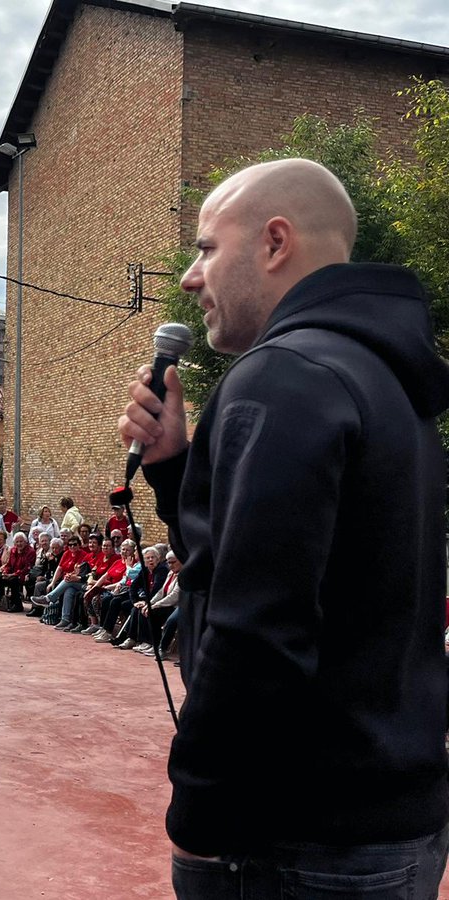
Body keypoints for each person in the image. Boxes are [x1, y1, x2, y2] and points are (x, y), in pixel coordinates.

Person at [118, 158, 449, 896]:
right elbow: (314, 581)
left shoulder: (281, 375)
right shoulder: (390, 381)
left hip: (302, 840)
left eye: (206, 248)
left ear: (274, 242)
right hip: (390, 823)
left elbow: (257, 628)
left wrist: (199, 813)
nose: (188, 278)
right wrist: (177, 470)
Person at [0, 530, 33, 613]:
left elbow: (27, 568)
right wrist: (5, 572)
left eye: (21, 541)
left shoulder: (30, 551)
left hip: (23, 575)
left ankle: (17, 604)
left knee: (13, 580)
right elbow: (9, 564)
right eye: (17, 542)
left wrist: (13, 574)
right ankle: (0, 601)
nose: (19, 544)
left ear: (25, 542)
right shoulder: (13, 550)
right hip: (12, 574)